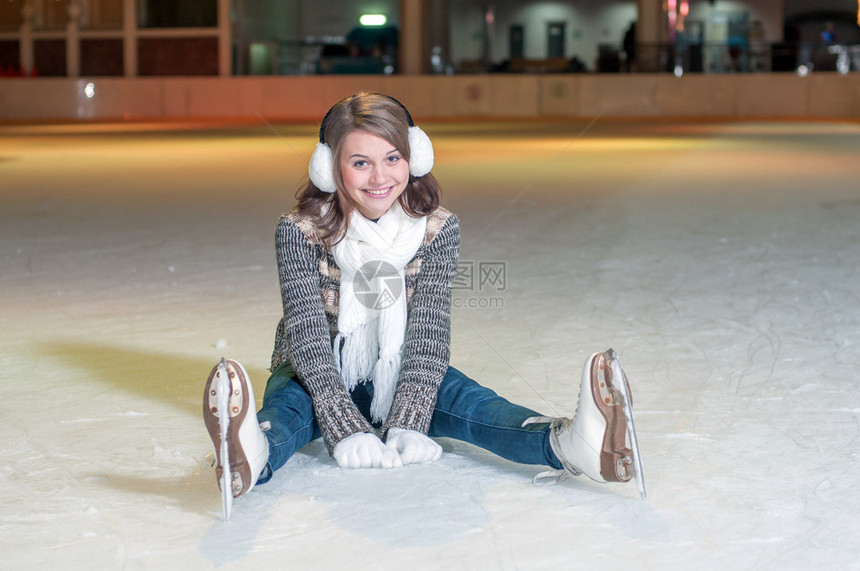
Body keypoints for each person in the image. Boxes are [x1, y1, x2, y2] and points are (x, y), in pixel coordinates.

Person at [203, 92, 643, 509]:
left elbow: (430, 330)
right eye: (360, 163)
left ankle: (569, 445)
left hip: (407, 368)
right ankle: (252, 453)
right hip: (316, 371)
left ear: (414, 156)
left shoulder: (436, 228)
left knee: (475, 404)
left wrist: (411, 418)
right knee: (288, 410)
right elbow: (308, 336)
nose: (380, 177)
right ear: (328, 168)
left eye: (393, 158)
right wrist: (344, 426)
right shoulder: (300, 231)